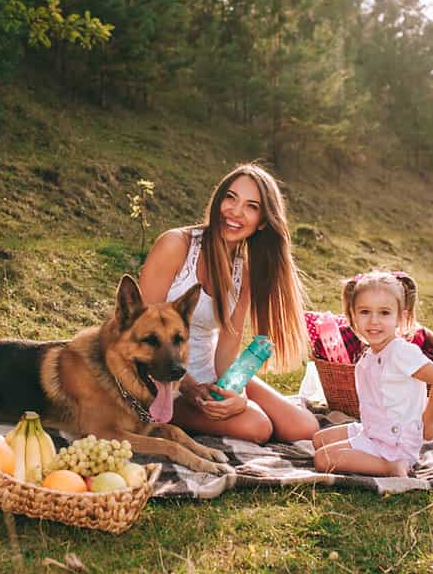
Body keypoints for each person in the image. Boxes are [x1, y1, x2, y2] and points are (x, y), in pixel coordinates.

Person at [137, 163, 319, 444]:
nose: (235, 212)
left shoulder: (243, 271)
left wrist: (239, 395)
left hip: (207, 373)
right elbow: (139, 330)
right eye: (230, 198)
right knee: (257, 427)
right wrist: (188, 387)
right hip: (161, 373)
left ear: (262, 221)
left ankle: (207, 409)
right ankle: (159, 412)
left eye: (251, 206)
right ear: (218, 199)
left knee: (304, 427)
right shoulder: (176, 245)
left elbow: (227, 353)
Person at [313, 270, 433, 476]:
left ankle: (391, 466)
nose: (374, 321)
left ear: (400, 318)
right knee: (318, 439)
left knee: (323, 459)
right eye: (365, 312)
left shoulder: (400, 352)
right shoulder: (370, 353)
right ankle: (372, 453)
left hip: (394, 441)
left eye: (384, 313)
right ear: (352, 316)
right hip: (374, 429)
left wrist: (428, 421)